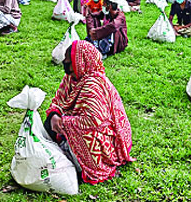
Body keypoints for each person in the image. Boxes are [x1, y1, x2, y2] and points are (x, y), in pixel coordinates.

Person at [44, 40, 134, 184]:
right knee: (49, 122)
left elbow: (94, 122)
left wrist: (64, 122)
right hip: (75, 123)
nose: (66, 67)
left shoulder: (93, 85)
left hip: (105, 136)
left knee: (83, 140)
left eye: (69, 63)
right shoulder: (72, 78)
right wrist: (55, 115)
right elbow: (58, 101)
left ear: (81, 63)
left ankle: (84, 164)